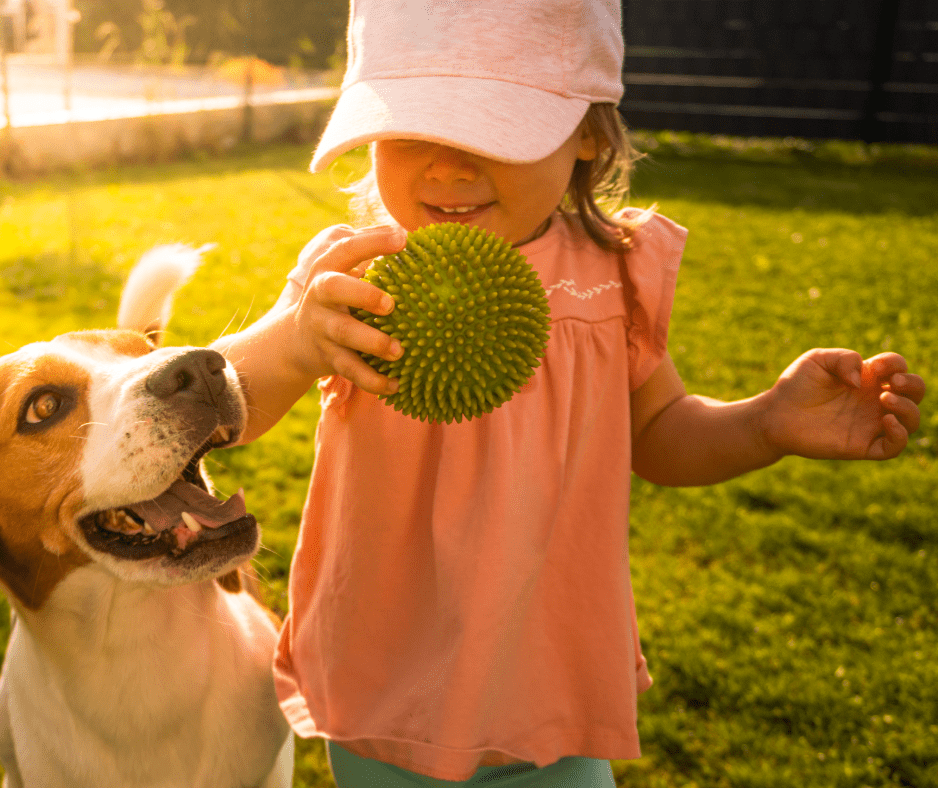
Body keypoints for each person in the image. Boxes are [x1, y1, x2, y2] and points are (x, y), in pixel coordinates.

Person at [211, 1, 927, 785]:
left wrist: (765, 423)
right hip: (386, 677)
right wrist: (291, 341)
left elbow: (659, 431)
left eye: (490, 132)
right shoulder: (353, 272)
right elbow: (228, 409)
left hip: (545, 674)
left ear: (588, 133)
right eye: (411, 132)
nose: (447, 167)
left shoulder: (611, 277)